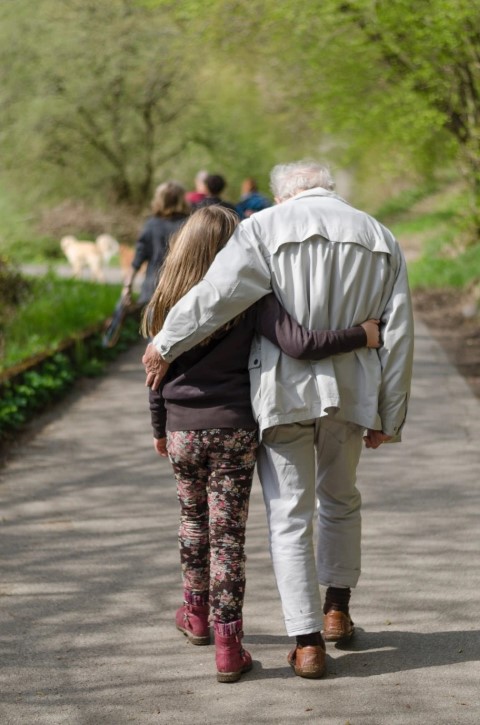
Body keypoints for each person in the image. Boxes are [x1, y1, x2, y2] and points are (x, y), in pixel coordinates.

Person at [142, 160, 414, 680]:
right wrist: (390, 415)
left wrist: (164, 343)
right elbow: (398, 333)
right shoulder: (380, 236)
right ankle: (338, 608)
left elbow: (215, 296)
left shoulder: (262, 229)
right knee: (342, 500)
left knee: (290, 516)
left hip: (283, 392)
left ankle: (307, 643)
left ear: (284, 195)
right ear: (328, 189)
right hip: (353, 392)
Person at [122, 182, 190, 307]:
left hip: (153, 289)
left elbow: (138, 258)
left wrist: (127, 286)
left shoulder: (152, 225)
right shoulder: (190, 225)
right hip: (182, 290)